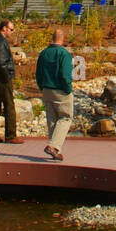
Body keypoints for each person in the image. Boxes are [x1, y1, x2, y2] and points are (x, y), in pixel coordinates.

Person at [36, 27, 73, 161]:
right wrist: (68, 89)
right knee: (65, 118)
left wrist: (41, 86)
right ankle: (54, 146)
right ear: (63, 39)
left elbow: (38, 74)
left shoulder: (44, 53)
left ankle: (55, 150)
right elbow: (65, 74)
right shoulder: (64, 54)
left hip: (46, 89)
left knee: (52, 121)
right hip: (60, 90)